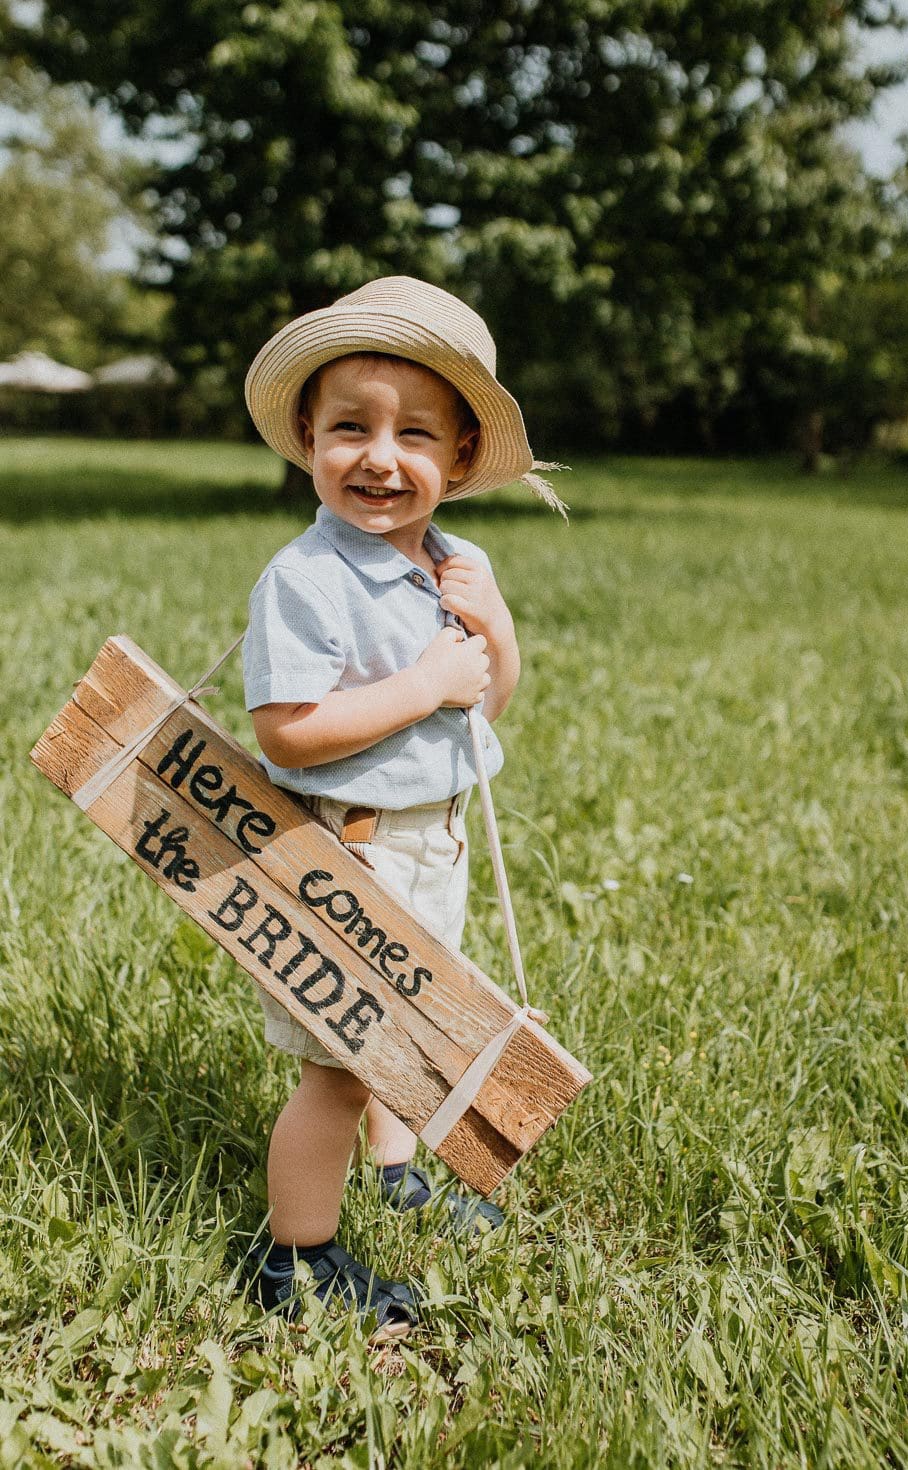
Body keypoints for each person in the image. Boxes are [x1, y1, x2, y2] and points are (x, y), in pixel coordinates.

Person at [240, 276, 565, 1338]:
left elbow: (481, 707)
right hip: (349, 850)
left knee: (405, 1036)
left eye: (416, 434)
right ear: (305, 435)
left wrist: (494, 634)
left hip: (437, 840)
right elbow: (287, 733)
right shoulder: (306, 579)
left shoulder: (454, 561)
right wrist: (422, 682)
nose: (381, 457)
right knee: (339, 1066)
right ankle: (295, 1256)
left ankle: (396, 1171)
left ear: (460, 457)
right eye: (350, 427)